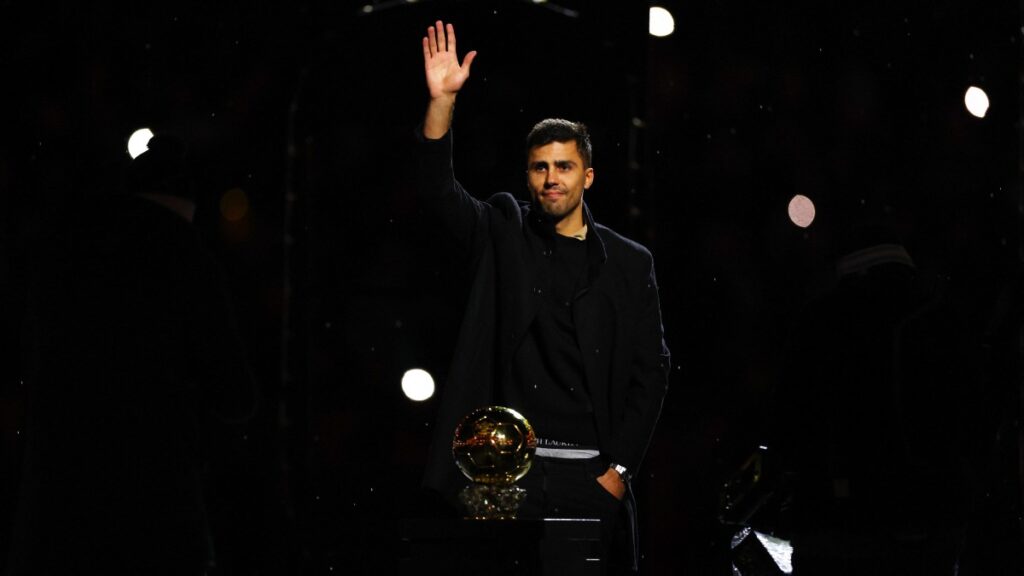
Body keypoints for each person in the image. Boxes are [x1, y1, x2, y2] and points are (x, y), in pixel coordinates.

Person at [415, 21, 670, 572]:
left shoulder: (629, 263)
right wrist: (442, 104)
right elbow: (436, 191)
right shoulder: (503, 229)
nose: (551, 178)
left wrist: (619, 471)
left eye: (564, 166)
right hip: (506, 475)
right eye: (540, 167)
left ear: (589, 176)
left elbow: (652, 371)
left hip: (591, 477)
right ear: (527, 176)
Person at [8, 134, 257, 576]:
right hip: (153, 504)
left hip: (57, 502)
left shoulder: (65, 249)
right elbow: (235, 396)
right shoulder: (186, 257)